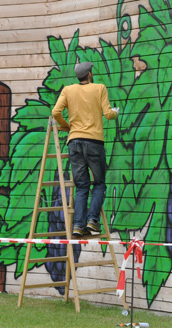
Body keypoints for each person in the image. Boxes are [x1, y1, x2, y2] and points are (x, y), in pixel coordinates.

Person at [51, 61, 119, 236]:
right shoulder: (100, 88)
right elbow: (108, 114)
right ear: (89, 74)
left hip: (74, 141)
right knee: (99, 183)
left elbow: (55, 113)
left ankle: (78, 226)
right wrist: (116, 112)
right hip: (94, 142)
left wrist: (67, 126)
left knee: (81, 186)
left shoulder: (68, 90)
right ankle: (93, 221)